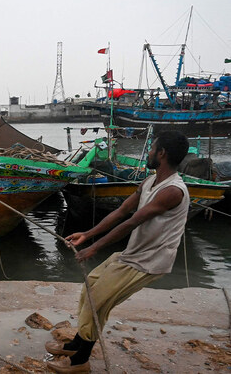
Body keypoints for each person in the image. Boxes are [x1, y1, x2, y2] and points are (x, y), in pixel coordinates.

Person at [46, 130, 190, 373]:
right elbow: (122, 211)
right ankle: (76, 344)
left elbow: (131, 223)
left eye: (152, 148)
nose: (149, 152)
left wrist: (93, 249)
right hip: (133, 254)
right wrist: (88, 234)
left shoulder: (172, 191)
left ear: (162, 153)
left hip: (149, 261)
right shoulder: (149, 181)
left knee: (97, 301)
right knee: (90, 286)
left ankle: (80, 361)